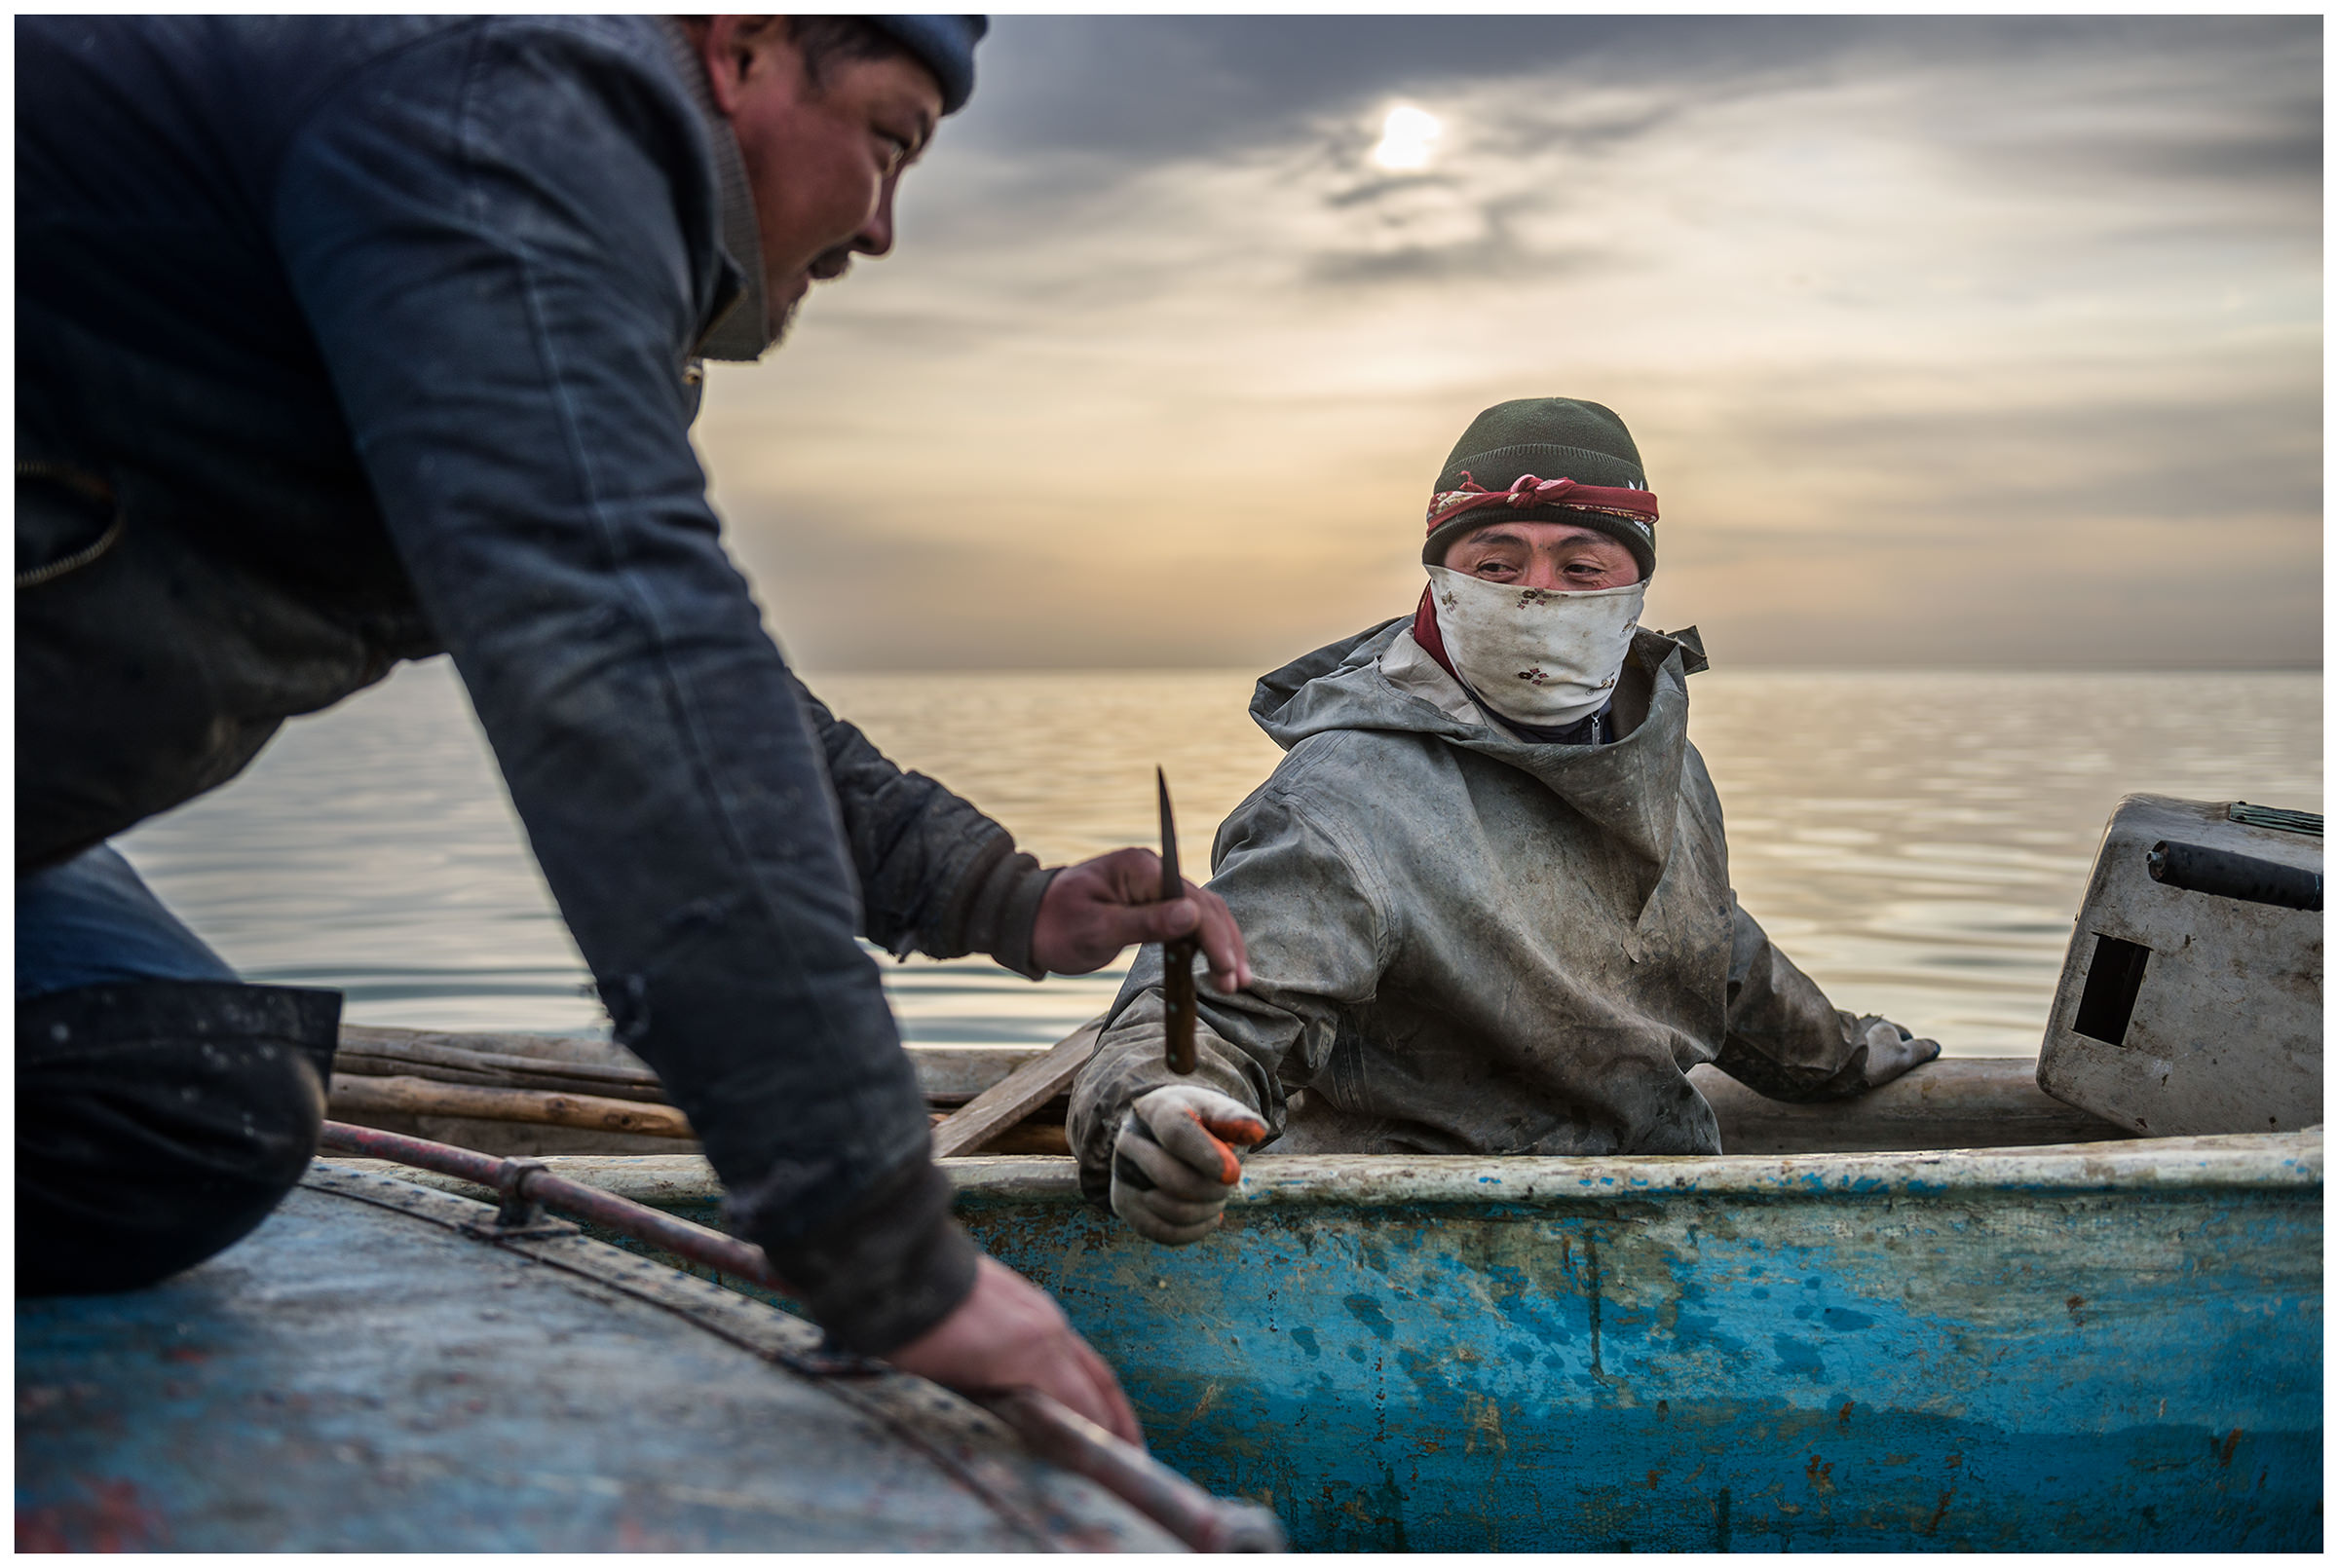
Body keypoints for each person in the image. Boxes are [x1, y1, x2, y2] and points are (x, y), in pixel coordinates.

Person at [17, 15, 1249, 1442]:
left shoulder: (493, 193)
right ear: (744, 44)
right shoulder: (501, 110)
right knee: (179, 1114)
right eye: (889, 141)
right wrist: (884, 1248)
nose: (883, 227)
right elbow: (624, 652)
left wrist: (1007, 899)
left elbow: (685, 675)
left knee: (195, 1102)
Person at [1067, 396, 1939, 1245]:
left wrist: (1845, 1057)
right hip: (1414, 1239)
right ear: (1442, 581)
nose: (1536, 594)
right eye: (1496, 564)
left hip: (1652, 1219)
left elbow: (1709, 949)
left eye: (1580, 568)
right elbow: (1216, 1007)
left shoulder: (1657, 758)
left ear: (1635, 588)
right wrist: (1153, 1106)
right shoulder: (1345, 795)